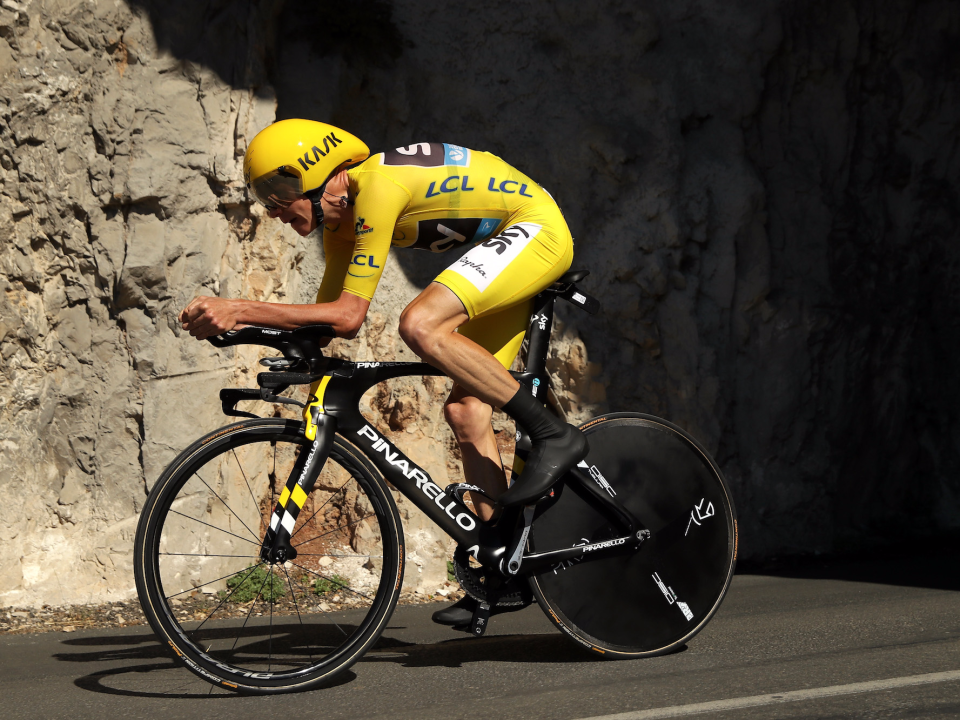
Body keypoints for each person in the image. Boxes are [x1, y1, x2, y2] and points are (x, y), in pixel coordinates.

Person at [179, 119, 587, 626]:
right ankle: (504, 564)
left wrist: (240, 307)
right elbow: (328, 321)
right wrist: (243, 332)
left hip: (536, 228)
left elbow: (349, 316)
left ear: (321, 173)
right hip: (509, 239)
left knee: (420, 323)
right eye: (266, 197)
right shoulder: (342, 226)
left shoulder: (375, 187)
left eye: (281, 192)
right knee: (465, 411)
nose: (274, 210)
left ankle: (554, 435)